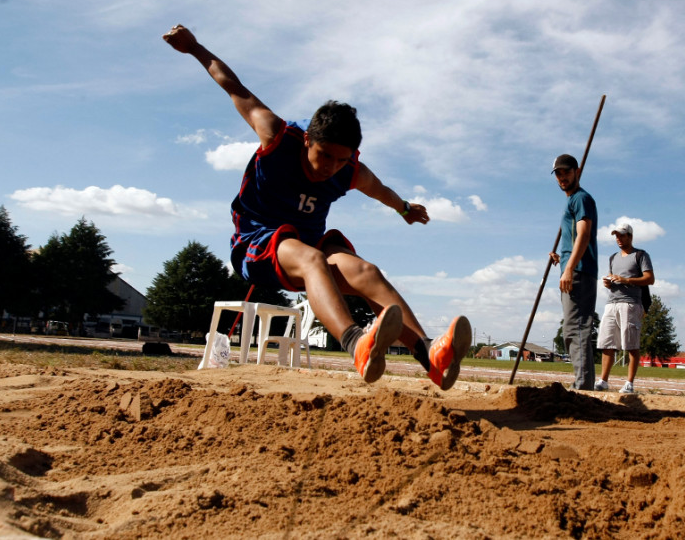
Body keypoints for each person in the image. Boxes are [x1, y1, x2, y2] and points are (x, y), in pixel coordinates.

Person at [163, 24, 470, 390]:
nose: (330, 167)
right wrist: (195, 47)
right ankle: (357, 344)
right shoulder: (277, 135)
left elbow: (380, 190)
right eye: (324, 156)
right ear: (307, 139)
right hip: (256, 245)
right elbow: (233, 86)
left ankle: (429, 356)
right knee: (312, 257)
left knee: (366, 271)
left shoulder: (349, 170)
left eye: (341, 160)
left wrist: (404, 209)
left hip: (310, 247)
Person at [548, 154, 598, 390]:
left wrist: (569, 268)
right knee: (574, 328)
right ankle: (583, 383)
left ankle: (583, 387)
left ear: (577, 172)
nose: (562, 177)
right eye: (558, 173)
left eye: (566, 172)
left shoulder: (580, 199)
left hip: (578, 272)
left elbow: (584, 235)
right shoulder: (573, 200)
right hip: (574, 267)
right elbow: (575, 239)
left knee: (575, 329)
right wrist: (563, 258)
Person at [595, 223, 654, 394]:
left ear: (630, 236)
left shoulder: (640, 255)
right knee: (607, 343)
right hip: (611, 303)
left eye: (622, 235)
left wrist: (627, 280)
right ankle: (603, 380)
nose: (618, 239)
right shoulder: (613, 257)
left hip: (631, 304)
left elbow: (650, 278)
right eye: (616, 236)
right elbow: (615, 280)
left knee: (631, 344)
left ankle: (629, 383)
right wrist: (608, 283)